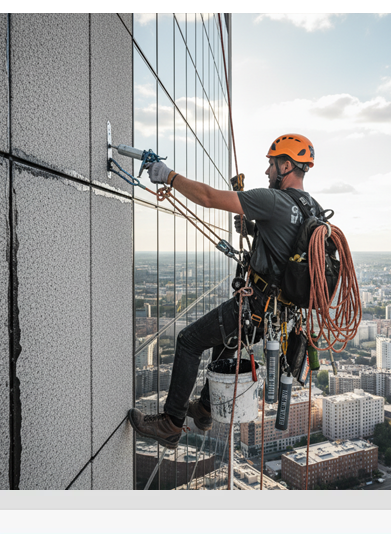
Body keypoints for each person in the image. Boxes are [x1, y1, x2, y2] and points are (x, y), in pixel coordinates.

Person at [128, 134, 322, 448]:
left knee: (189, 341)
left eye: (272, 165)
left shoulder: (273, 200)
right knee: (226, 343)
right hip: (276, 315)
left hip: (255, 305)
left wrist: (169, 176)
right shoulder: (312, 208)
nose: (267, 172)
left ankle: (171, 423)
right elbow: (289, 248)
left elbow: (207, 197)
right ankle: (204, 409)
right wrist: (257, 230)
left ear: (287, 165)